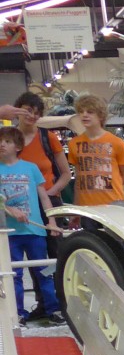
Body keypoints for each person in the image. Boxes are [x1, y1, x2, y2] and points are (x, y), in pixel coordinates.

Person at [0, 126, 63, 326]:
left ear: (18, 146)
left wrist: (51, 221)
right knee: (14, 275)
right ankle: (18, 313)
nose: (2, 144)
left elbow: (44, 197)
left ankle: (53, 309)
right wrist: (10, 210)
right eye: (0, 141)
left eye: (7, 141)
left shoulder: (31, 168)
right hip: (9, 233)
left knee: (44, 271)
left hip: (35, 231)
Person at [14, 91, 71, 295]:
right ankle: (43, 300)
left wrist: (50, 193)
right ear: (18, 111)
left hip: (49, 202)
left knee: (56, 251)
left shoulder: (48, 137)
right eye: (28, 110)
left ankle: (62, 297)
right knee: (33, 255)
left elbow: (65, 173)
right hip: (20, 206)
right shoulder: (7, 139)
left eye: (37, 112)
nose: (32, 116)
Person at [67, 94, 124, 217]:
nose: (84, 115)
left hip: (113, 205)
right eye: (81, 112)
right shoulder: (73, 144)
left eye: (90, 112)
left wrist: (103, 182)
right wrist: (76, 208)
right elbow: (79, 179)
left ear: (101, 115)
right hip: (86, 208)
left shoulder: (117, 143)